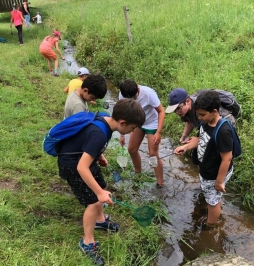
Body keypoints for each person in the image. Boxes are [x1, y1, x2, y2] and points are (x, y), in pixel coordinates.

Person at [57, 98, 146, 265]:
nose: (132, 132)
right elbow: (82, 168)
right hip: (72, 165)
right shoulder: (99, 133)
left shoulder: (106, 119)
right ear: (122, 122)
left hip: (83, 159)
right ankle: (87, 243)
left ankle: (100, 221)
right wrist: (98, 193)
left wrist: (99, 155)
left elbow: (88, 143)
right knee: (93, 201)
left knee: (102, 187)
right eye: (132, 128)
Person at [174, 90, 234, 229]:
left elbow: (227, 159)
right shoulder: (206, 123)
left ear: (214, 111)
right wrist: (187, 147)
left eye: (202, 114)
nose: (199, 118)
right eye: (198, 114)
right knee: (212, 197)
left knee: (213, 202)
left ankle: (210, 226)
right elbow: (202, 140)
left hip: (215, 174)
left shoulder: (223, 131)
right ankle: (213, 203)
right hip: (207, 168)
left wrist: (219, 182)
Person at [119, 79, 165, 188]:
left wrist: (158, 132)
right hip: (137, 122)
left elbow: (161, 111)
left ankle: (160, 183)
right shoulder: (122, 95)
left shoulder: (149, 93)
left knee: (153, 154)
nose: (133, 100)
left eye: (135, 97)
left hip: (151, 123)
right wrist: (122, 134)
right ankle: (138, 173)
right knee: (132, 149)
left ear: (138, 89)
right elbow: (123, 114)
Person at [165, 88, 236, 143]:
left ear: (188, 101)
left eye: (178, 108)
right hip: (207, 126)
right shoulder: (184, 110)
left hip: (224, 125)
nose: (177, 112)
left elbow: (213, 127)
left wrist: (199, 140)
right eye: (174, 110)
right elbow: (189, 121)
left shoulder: (201, 107)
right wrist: (185, 135)